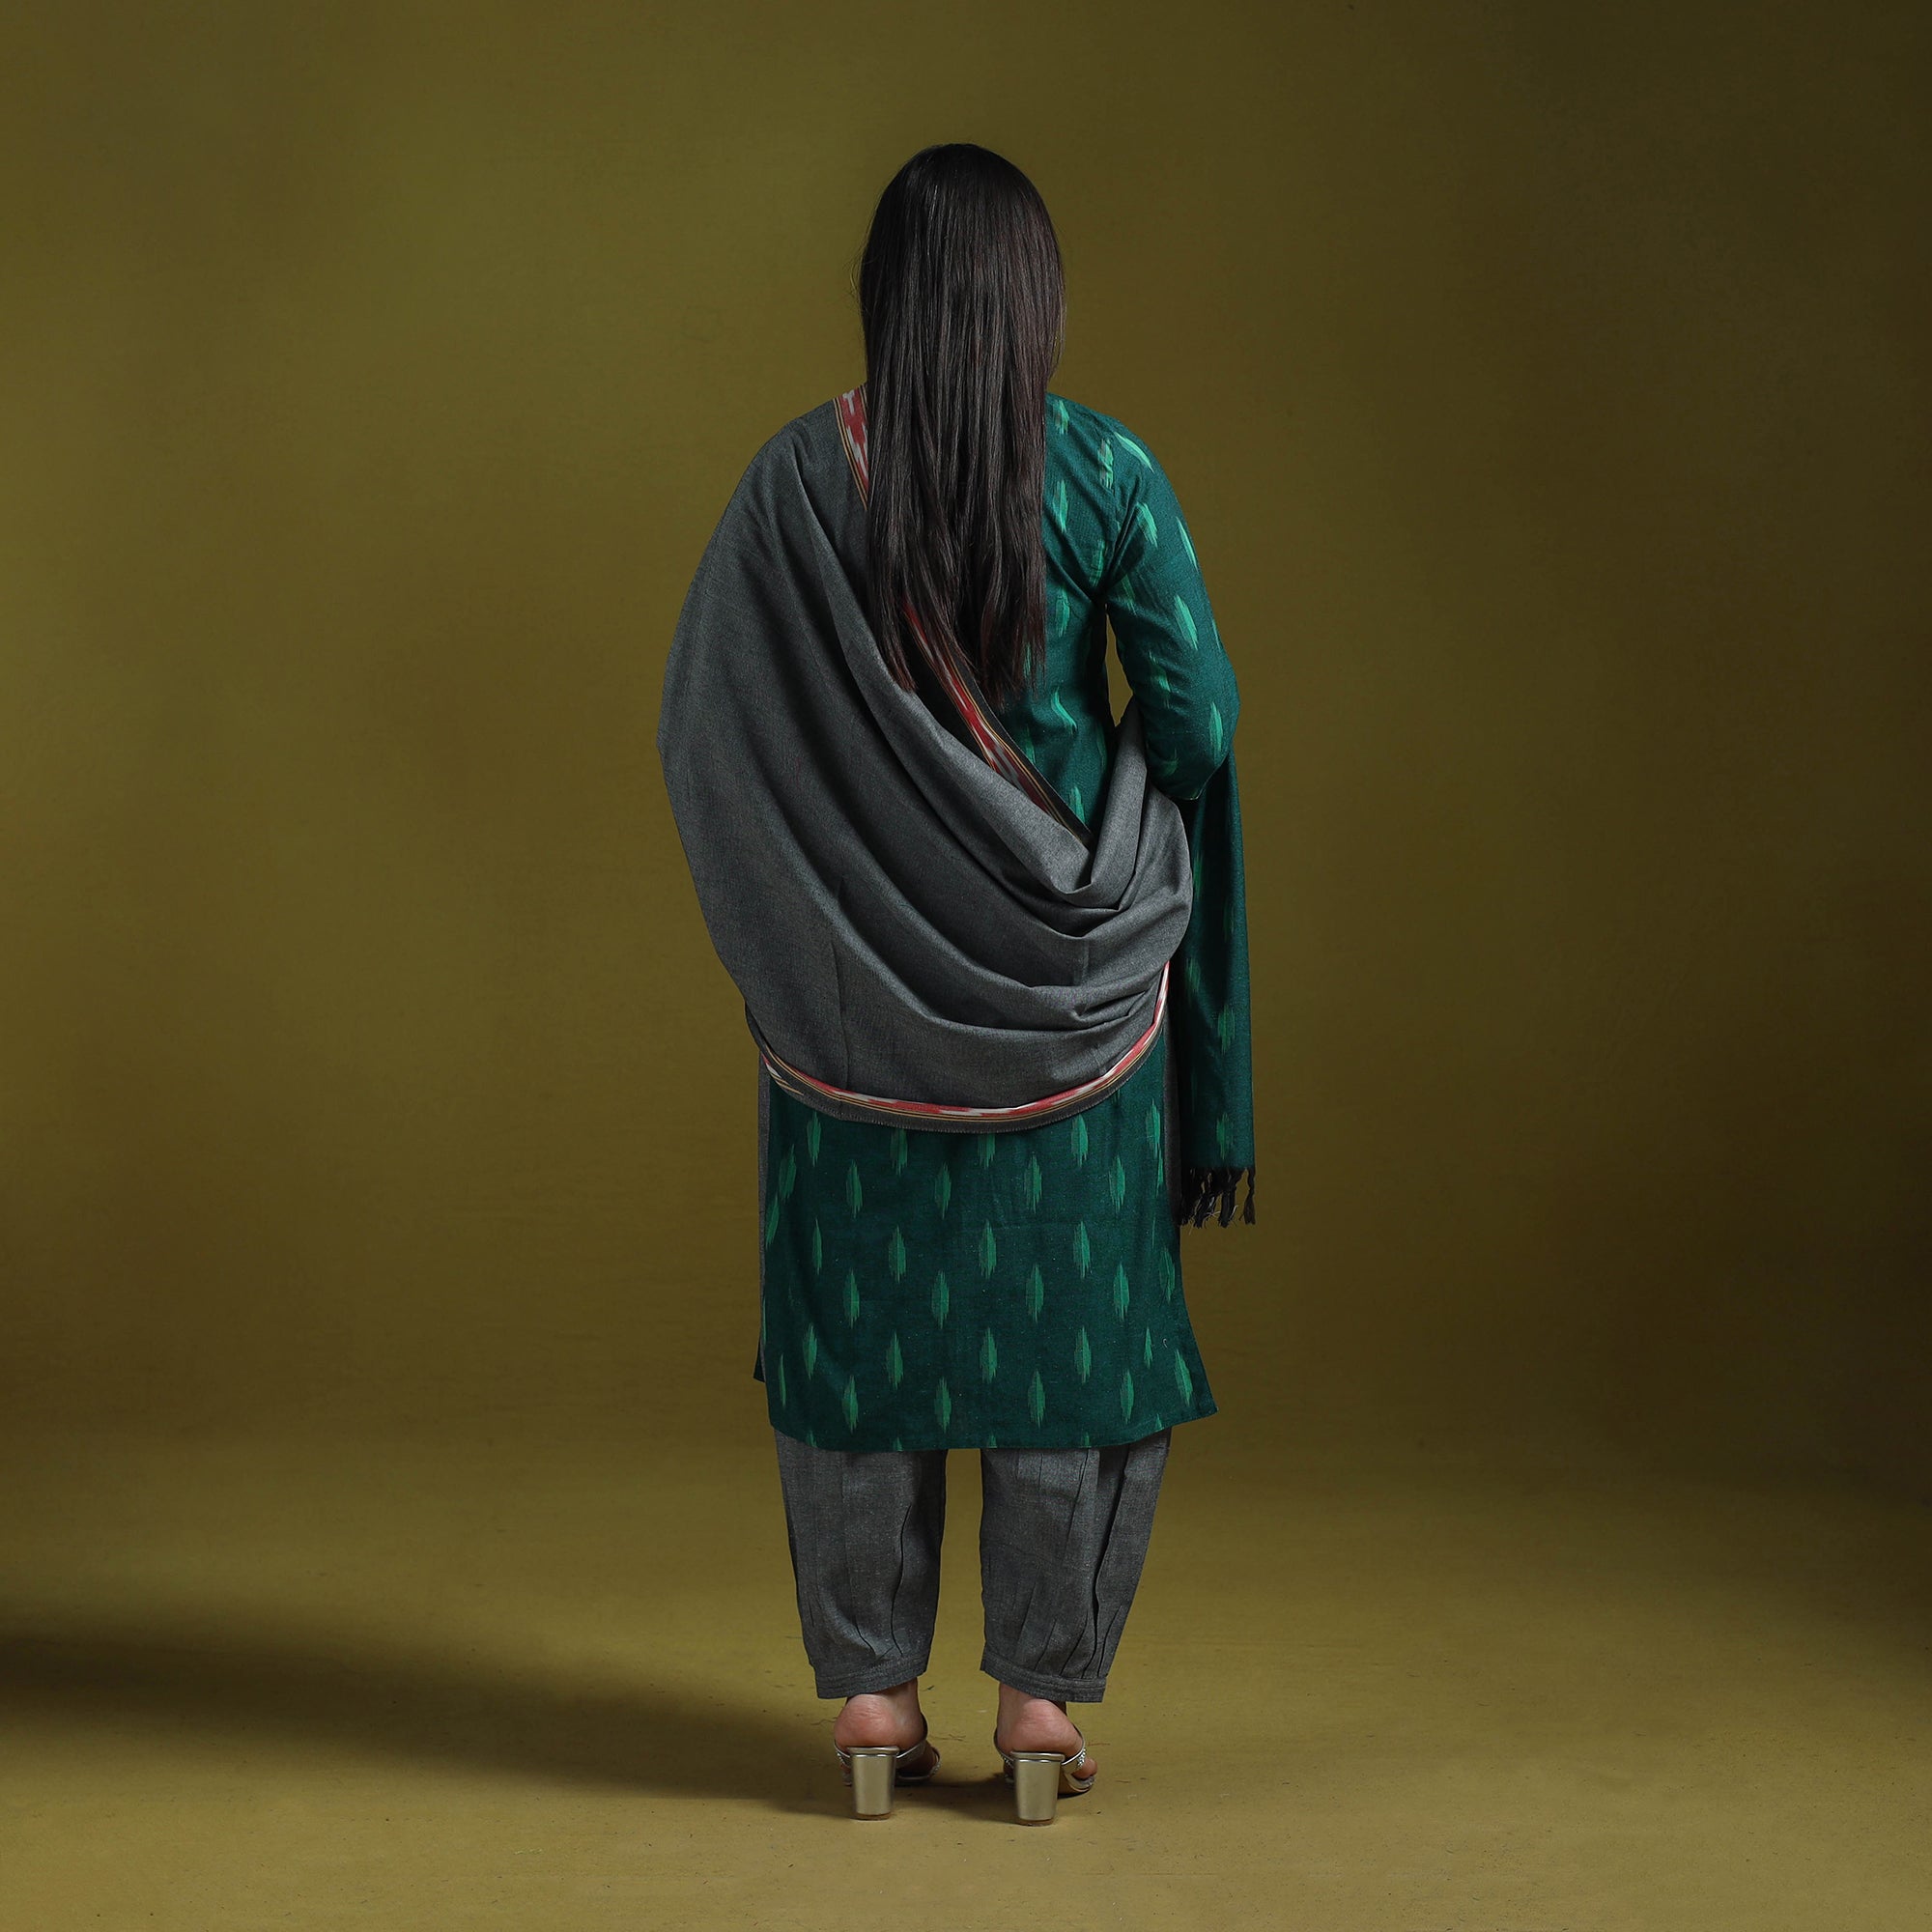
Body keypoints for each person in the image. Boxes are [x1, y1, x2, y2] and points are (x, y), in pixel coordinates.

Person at [658, 142, 1254, 1823]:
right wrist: (1101, 845)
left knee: (862, 1343)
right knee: (1070, 1342)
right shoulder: (1105, 472)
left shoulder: (796, 482)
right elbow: (1199, 720)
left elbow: (702, 732)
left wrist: (822, 912)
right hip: (1079, 1003)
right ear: (1034, 304)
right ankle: (1041, 1711)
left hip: (850, 1012)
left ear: (884, 298)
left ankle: (871, 1698)